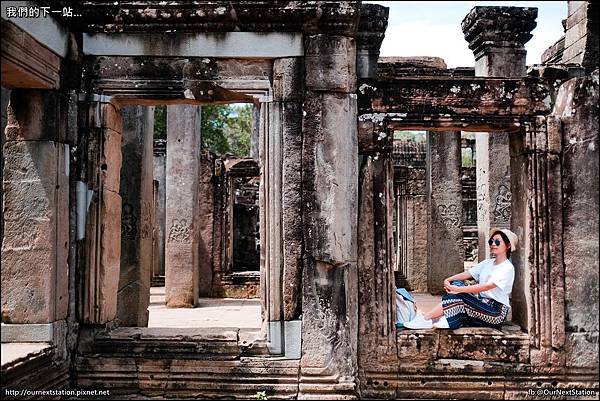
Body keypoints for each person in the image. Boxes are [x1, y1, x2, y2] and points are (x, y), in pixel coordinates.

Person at [403, 228, 518, 330]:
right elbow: (468, 273)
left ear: (507, 246)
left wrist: (458, 290)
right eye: (491, 241)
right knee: (456, 283)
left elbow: (487, 286)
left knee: (459, 294)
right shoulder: (488, 263)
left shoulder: (507, 268)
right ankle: (450, 317)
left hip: (495, 313)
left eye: (497, 241)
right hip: (482, 305)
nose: (493, 244)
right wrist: (448, 280)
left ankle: (426, 318)